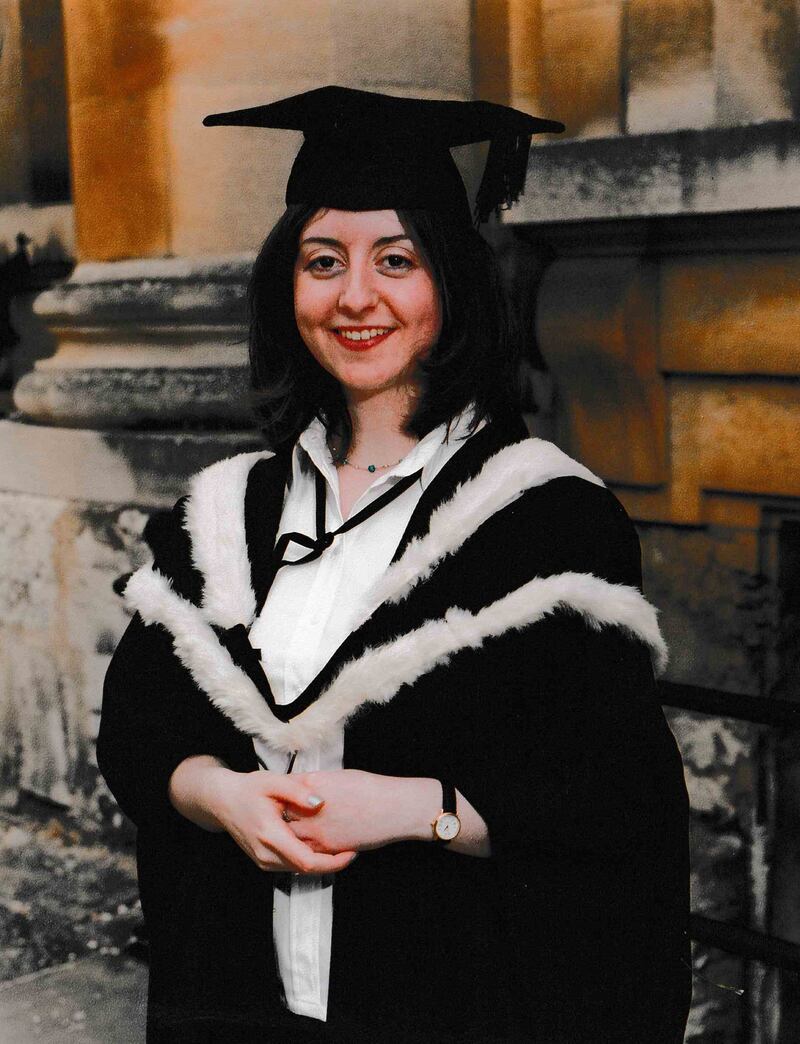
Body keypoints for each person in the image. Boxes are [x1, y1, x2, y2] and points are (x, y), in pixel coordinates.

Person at [97, 86, 691, 1043]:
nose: (356, 297)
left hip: (446, 1001)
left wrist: (419, 809)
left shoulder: (544, 522)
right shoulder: (227, 512)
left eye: (397, 261)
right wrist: (220, 794)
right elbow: (136, 726)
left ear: (450, 281)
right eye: (322, 261)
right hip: (240, 996)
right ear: (286, 287)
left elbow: (610, 801)